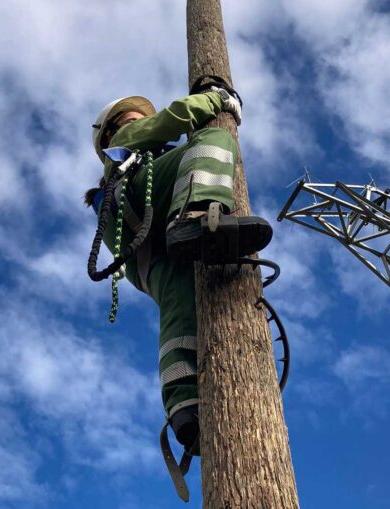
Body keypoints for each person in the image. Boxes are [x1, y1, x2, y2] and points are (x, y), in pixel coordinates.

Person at [88, 87, 272, 453]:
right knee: (213, 139)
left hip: (146, 255)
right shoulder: (125, 145)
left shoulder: (146, 164)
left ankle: (184, 406)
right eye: (129, 118)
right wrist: (215, 101)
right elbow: (171, 120)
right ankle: (197, 214)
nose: (138, 121)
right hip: (139, 211)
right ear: (111, 132)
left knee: (181, 298)